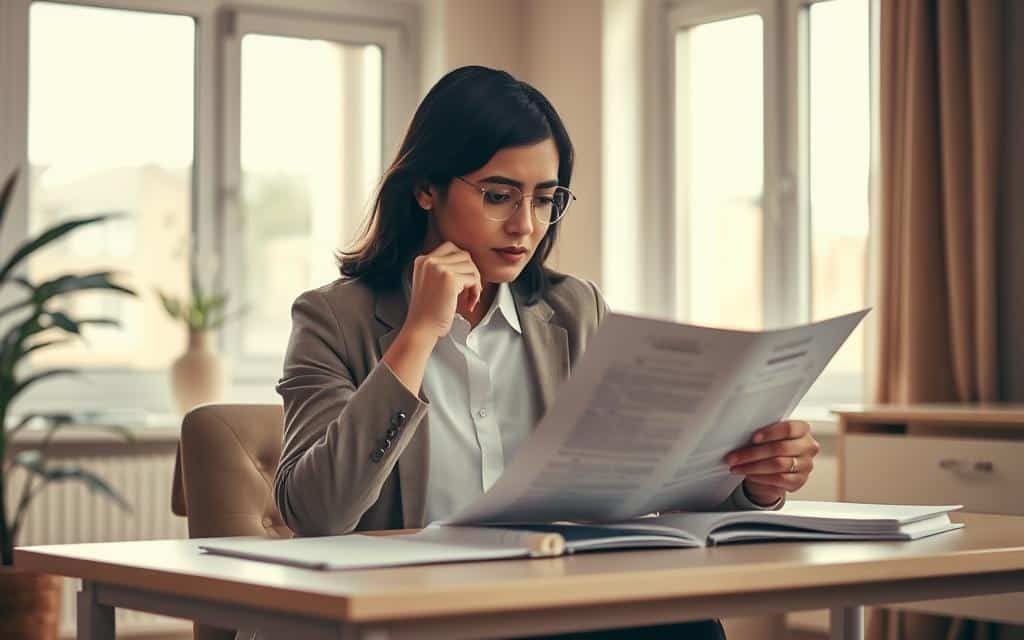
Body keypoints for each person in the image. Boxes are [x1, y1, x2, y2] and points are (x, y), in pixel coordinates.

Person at [267, 65, 821, 640]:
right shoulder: (332, 318)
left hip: (548, 606)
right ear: (426, 187)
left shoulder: (575, 310)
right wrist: (416, 336)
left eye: (545, 199)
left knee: (687, 625)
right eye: (499, 196)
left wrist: (758, 482)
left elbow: (650, 484)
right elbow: (317, 513)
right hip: (405, 616)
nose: (524, 227)